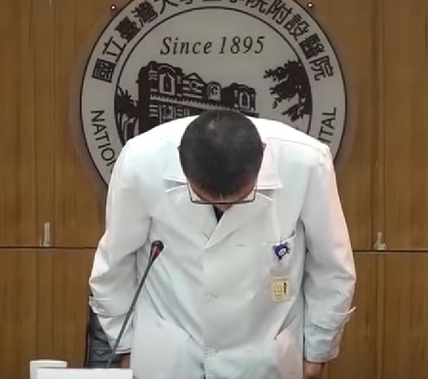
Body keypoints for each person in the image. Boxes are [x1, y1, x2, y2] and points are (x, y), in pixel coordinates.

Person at [89, 109, 357, 379]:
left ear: (263, 155)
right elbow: (114, 265)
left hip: (266, 354)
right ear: (181, 162)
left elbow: (331, 266)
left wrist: (317, 350)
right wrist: (123, 345)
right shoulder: (140, 162)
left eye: (240, 198)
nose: (224, 207)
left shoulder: (307, 163)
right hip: (171, 352)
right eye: (205, 198)